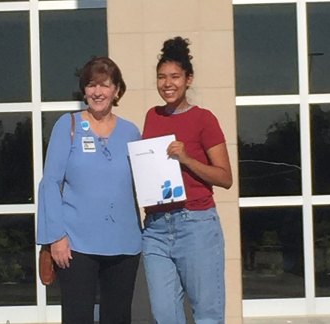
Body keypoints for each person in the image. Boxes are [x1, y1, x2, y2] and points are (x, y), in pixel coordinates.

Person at [37, 56, 142, 324]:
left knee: (118, 317)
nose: (98, 92)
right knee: (77, 317)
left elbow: (145, 183)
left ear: (116, 90)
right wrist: (55, 236)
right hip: (76, 245)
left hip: (124, 244)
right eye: (92, 85)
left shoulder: (131, 132)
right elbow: (50, 183)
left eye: (105, 85)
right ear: (84, 90)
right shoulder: (67, 126)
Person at [141, 36, 233, 324]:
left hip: (196, 224)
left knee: (207, 314)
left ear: (188, 79)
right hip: (155, 227)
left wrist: (188, 160)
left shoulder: (204, 119)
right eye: (161, 77)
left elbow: (225, 177)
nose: (167, 84)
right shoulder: (152, 116)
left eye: (175, 77)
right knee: (165, 315)